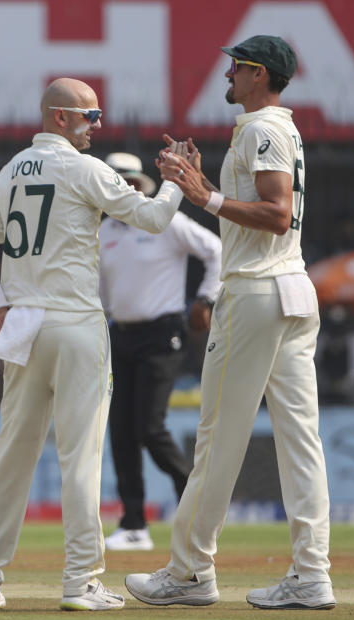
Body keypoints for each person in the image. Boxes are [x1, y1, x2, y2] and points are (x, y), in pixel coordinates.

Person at [126, 35, 335, 610]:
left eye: (238, 67)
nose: (229, 73)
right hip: (288, 288)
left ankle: (190, 572)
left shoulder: (261, 128)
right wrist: (205, 187)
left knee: (217, 437)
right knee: (301, 441)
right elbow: (257, 214)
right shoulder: (276, 127)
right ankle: (311, 574)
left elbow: (276, 213)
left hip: (256, 294)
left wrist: (205, 199)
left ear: (260, 75)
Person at [0, 77, 186, 612]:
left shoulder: (11, 170)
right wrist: (176, 179)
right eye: (90, 116)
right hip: (74, 322)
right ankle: (81, 582)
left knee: (11, 456)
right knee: (80, 458)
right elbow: (154, 218)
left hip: (22, 326)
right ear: (60, 118)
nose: (98, 126)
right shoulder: (84, 168)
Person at [98, 152, 222, 551]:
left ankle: (197, 501)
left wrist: (205, 299)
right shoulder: (102, 232)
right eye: (119, 181)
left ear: (141, 184)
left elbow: (216, 250)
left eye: (131, 181)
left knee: (149, 426)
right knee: (121, 430)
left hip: (163, 333)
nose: (127, 187)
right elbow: (100, 293)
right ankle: (134, 523)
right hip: (120, 335)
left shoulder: (164, 220)